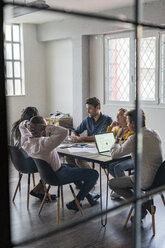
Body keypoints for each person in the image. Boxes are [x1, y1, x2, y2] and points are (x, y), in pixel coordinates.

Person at [19, 116, 100, 211]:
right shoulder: (45, 143)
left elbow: (21, 126)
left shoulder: (26, 142)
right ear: (42, 128)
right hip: (58, 175)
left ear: (30, 128)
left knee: (72, 166)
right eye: (44, 126)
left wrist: (27, 124)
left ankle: (89, 196)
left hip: (48, 176)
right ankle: (77, 201)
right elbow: (65, 132)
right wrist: (46, 127)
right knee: (94, 174)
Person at [109, 109, 163, 220]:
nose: (127, 125)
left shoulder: (134, 138)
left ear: (133, 123)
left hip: (145, 182)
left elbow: (114, 154)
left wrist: (118, 137)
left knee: (112, 183)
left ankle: (141, 205)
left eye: (128, 122)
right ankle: (143, 202)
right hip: (160, 180)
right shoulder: (155, 133)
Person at [11, 107, 56, 201]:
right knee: (50, 164)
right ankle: (39, 190)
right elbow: (36, 144)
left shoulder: (15, 126)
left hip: (18, 162)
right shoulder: (30, 129)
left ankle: (41, 190)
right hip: (27, 162)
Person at [66, 97, 113, 169]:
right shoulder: (88, 119)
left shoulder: (107, 119)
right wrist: (73, 135)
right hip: (89, 148)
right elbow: (75, 131)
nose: (87, 111)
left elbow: (100, 137)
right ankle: (81, 178)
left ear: (97, 108)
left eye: (90, 108)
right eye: (87, 108)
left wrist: (81, 138)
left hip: (101, 149)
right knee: (69, 157)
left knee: (79, 160)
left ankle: (91, 176)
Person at [106, 108, 134, 200]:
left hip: (131, 158)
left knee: (117, 167)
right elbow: (105, 139)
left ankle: (123, 189)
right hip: (121, 156)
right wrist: (111, 126)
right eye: (117, 115)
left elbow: (126, 148)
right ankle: (122, 187)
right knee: (109, 165)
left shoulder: (131, 131)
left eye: (120, 115)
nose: (117, 117)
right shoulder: (117, 129)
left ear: (126, 117)